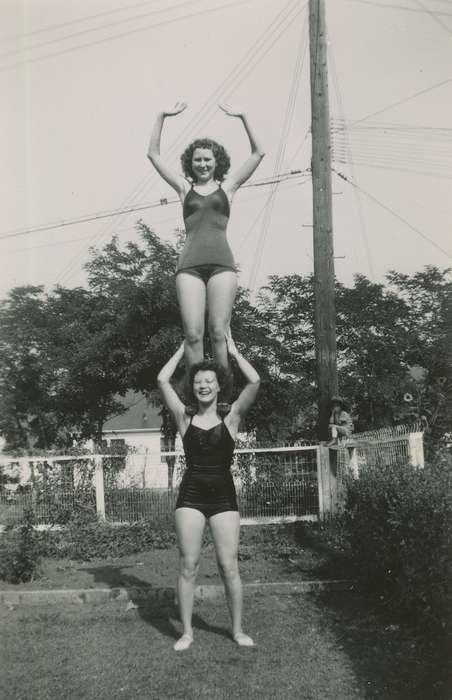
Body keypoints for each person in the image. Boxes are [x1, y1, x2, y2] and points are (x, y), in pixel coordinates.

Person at [157, 330, 260, 651]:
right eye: (198, 381)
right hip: (190, 496)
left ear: (219, 386)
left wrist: (233, 350)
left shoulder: (232, 418)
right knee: (188, 564)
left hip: (224, 497)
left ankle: (237, 630)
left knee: (229, 565)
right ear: (193, 386)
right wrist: (181, 347)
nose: (203, 385)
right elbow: (162, 380)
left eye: (209, 381)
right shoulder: (183, 418)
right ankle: (187, 632)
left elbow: (255, 382)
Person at [148, 102, 265, 371]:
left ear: (217, 162)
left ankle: (223, 396)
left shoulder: (229, 188)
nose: (202, 164)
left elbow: (259, 152)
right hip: (189, 266)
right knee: (193, 335)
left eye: (207, 159)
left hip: (222, 266)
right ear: (191, 162)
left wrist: (244, 116)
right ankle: (195, 397)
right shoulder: (182, 189)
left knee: (219, 332)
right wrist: (161, 116)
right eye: (197, 159)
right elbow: (153, 154)